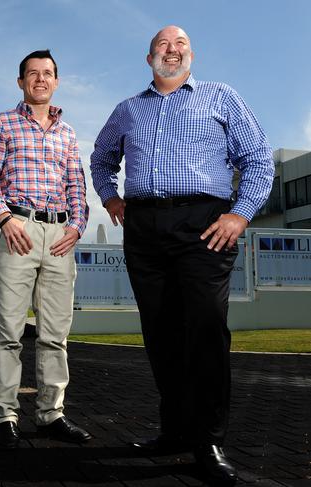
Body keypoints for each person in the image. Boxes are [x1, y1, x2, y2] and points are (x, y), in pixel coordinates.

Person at [90, 26, 273, 485]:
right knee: (161, 332)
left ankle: (208, 440)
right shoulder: (127, 109)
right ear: (148, 56)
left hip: (204, 225)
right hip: (145, 227)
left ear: (193, 54)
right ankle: (174, 431)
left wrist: (241, 214)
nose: (171, 52)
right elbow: (100, 157)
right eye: (162, 46)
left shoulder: (220, 96)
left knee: (206, 329)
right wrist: (111, 198)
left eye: (180, 45)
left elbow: (258, 158)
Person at [0, 50, 91, 448]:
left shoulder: (68, 133)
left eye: (47, 74)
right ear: (21, 81)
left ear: (56, 81)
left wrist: (77, 225)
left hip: (60, 236)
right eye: (32, 74)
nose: (40, 79)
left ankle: (50, 414)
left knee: (55, 335)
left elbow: (76, 184)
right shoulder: (1, 122)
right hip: (18, 230)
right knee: (8, 332)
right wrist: (6, 219)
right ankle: (4, 416)